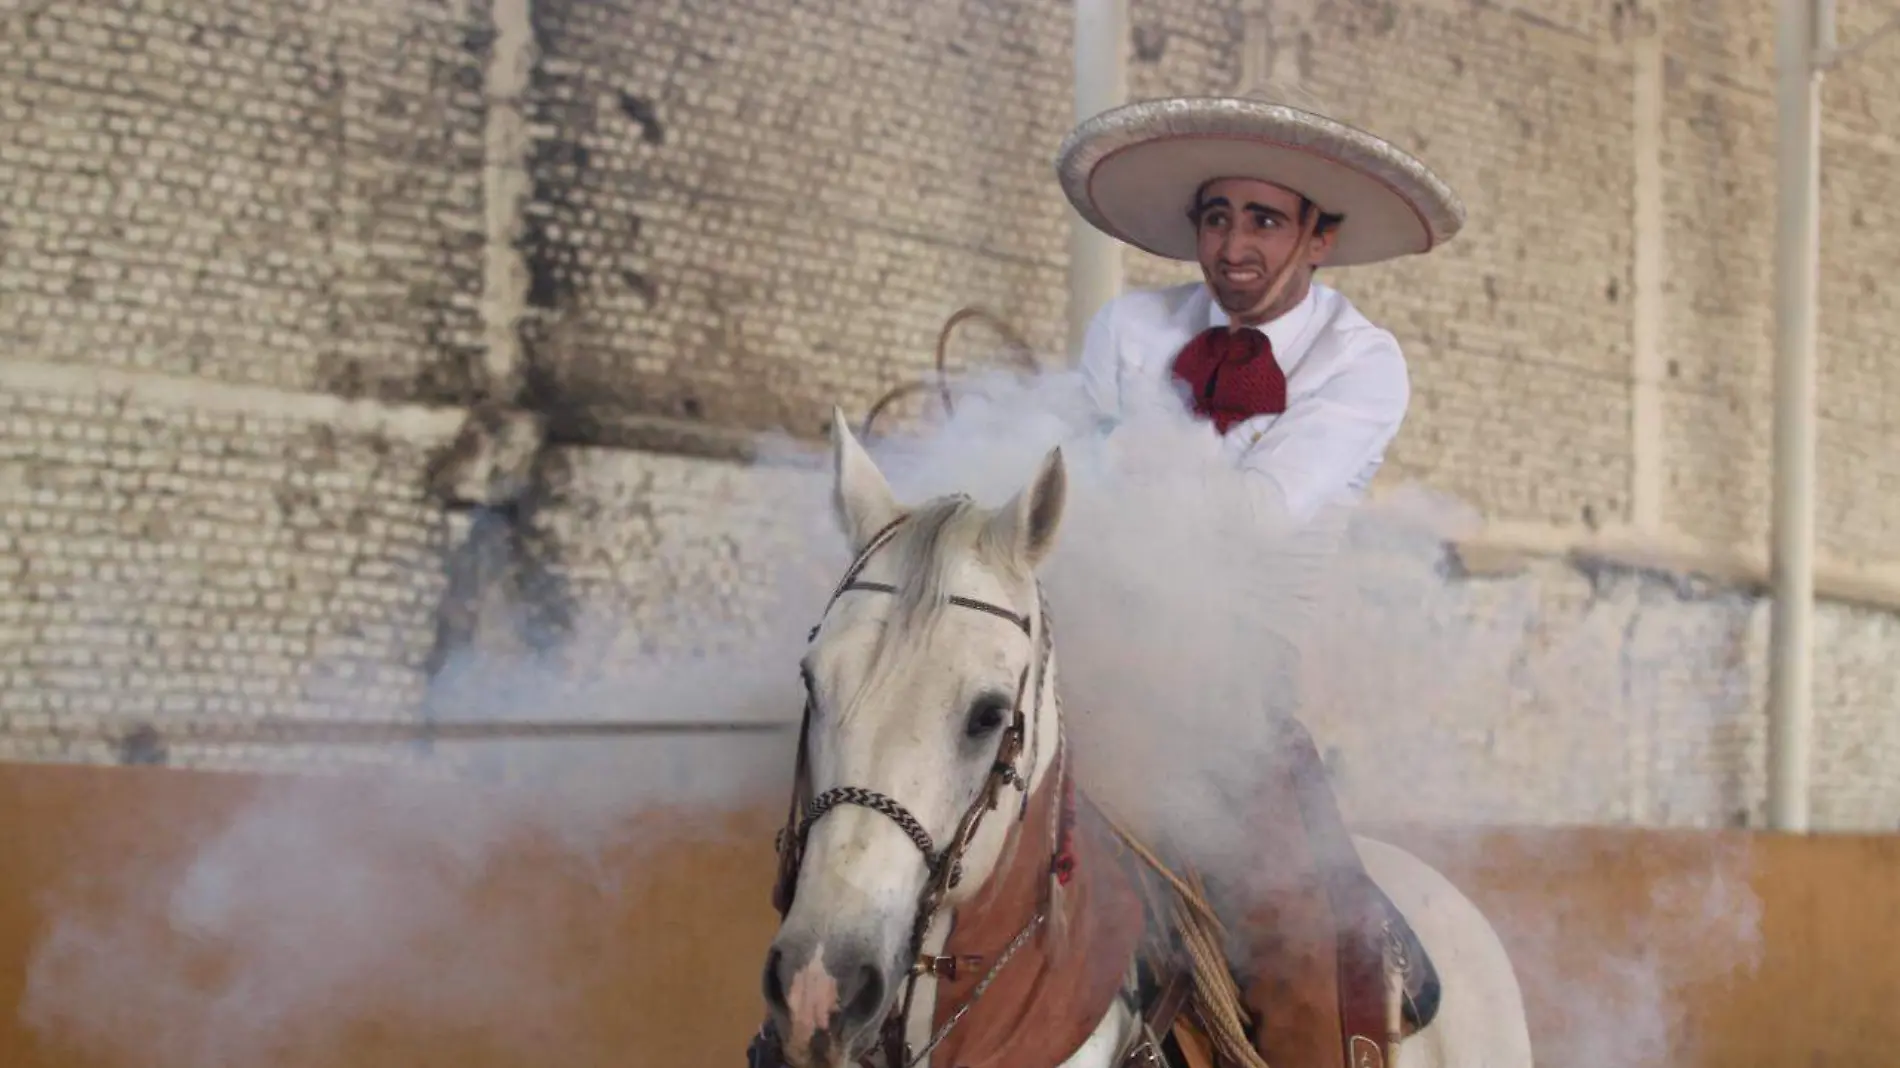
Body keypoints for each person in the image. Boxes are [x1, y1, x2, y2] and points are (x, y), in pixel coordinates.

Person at [1052, 87, 1466, 1068]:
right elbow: (1061, 490)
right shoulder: (1125, 331)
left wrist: (1120, 470)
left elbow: (1250, 517)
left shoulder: (1362, 362)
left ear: (1318, 237)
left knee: (1293, 938)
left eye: (1265, 221)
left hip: (1232, 700)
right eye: (1215, 216)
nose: (1233, 246)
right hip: (1086, 675)